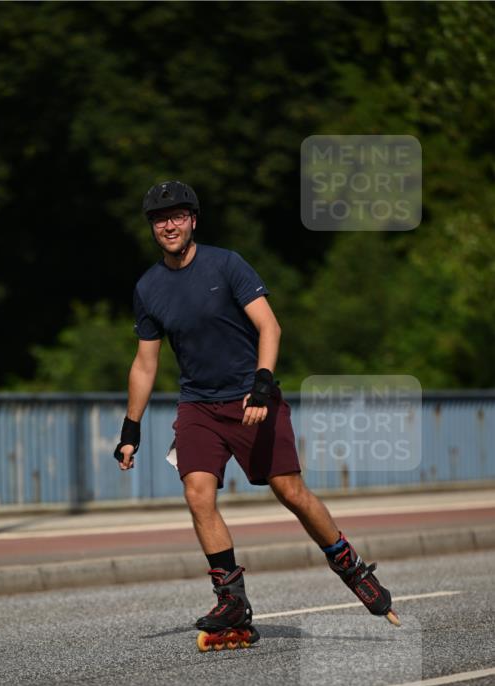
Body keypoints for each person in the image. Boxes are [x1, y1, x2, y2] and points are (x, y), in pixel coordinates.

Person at [114, 180, 398, 641]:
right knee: (197, 493)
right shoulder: (148, 288)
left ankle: (350, 566)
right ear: (152, 227)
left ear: (193, 220)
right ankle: (232, 599)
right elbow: (146, 362)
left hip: (251, 400)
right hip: (199, 407)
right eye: (160, 219)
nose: (169, 225)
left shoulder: (226, 264)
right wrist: (131, 427)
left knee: (290, 492)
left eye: (178, 216)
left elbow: (269, 325)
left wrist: (262, 385)